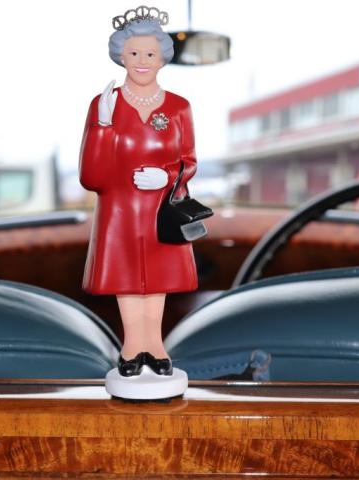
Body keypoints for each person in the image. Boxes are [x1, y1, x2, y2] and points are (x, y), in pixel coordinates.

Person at [79, 7, 198, 379]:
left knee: (158, 282)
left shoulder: (179, 107)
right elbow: (91, 176)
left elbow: (189, 160)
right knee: (127, 281)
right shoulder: (104, 104)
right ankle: (132, 346)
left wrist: (166, 177)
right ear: (121, 56)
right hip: (121, 211)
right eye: (134, 53)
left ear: (162, 58)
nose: (142, 61)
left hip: (161, 209)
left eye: (150, 53)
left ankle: (155, 345)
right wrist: (103, 125)